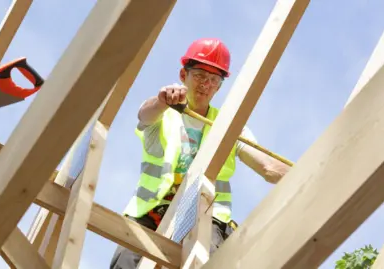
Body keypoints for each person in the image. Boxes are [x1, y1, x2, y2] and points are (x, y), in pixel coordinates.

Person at [110, 38, 290, 269]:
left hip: (206, 216)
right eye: (200, 76)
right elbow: (145, 115)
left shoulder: (229, 125)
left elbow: (269, 167)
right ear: (183, 75)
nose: (205, 84)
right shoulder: (164, 112)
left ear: (219, 87)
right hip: (150, 213)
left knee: (209, 263)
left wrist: (317, 170)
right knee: (125, 262)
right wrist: (162, 100)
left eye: (213, 79)